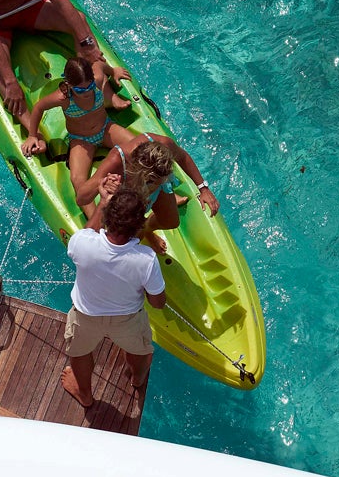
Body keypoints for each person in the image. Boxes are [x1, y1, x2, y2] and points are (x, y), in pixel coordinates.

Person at [62, 188, 165, 408]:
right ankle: (137, 380)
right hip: (127, 321)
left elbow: (87, 234)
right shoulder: (147, 259)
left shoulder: (83, 243)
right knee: (140, 351)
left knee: (79, 353)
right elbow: (158, 303)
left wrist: (102, 204)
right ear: (140, 225)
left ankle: (85, 394)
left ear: (108, 217)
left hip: (85, 317)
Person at [80, 133, 218, 253]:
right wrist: (103, 184)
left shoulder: (164, 145)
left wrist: (203, 188)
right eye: (156, 181)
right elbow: (81, 198)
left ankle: (147, 228)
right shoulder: (118, 160)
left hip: (152, 185)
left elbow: (183, 157)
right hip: (126, 195)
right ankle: (141, 231)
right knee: (130, 238)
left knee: (171, 222)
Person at [18, 57, 128, 199]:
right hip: (82, 140)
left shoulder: (98, 80)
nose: (86, 92)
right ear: (69, 85)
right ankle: (95, 217)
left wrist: (114, 71)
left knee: (140, 147)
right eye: (80, 90)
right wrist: (32, 135)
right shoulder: (63, 98)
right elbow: (39, 107)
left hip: (106, 128)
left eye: (89, 87)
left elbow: (99, 65)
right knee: (77, 180)